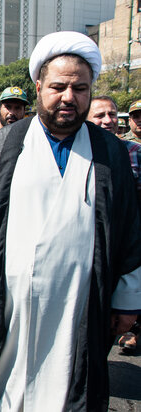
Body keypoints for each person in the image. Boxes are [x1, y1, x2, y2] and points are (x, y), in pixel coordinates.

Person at [0, 31, 141, 411]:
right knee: (3, 383)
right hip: (11, 300)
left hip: (80, 300)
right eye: (58, 87)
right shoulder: (6, 144)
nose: (69, 97)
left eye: (80, 88)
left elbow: (129, 230)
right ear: (38, 87)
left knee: (73, 383)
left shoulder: (110, 151)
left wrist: (127, 299)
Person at [88, 95, 141, 355]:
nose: (107, 121)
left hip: (122, 251)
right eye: (99, 116)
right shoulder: (77, 155)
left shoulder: (132, 152)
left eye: (112, 115)